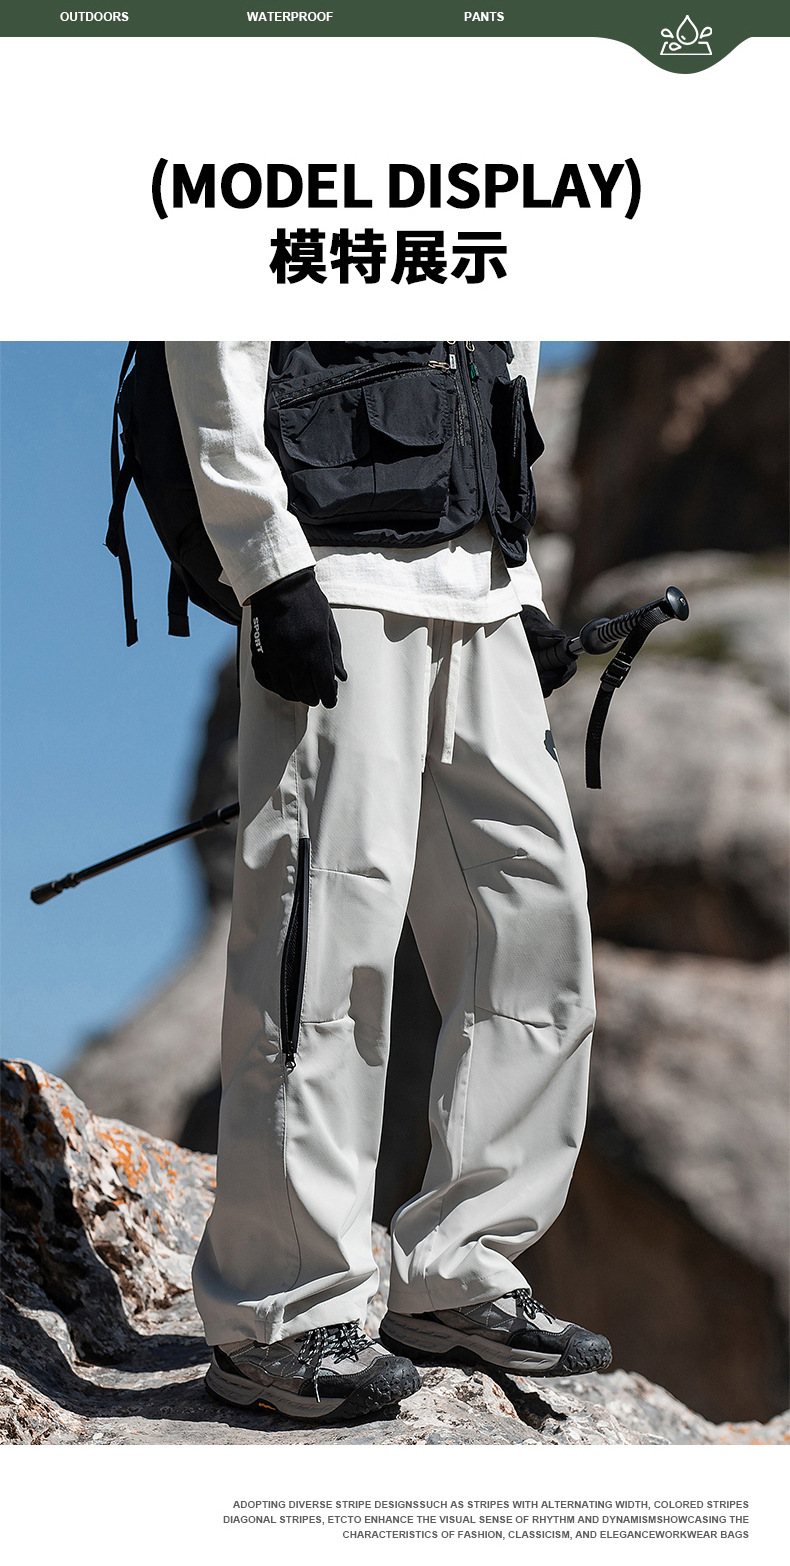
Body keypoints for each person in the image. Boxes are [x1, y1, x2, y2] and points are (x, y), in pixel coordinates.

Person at [164, 340, 611, 1424]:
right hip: (335, 573)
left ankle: (460, 1268)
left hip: (483, 593)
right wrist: (267, 562)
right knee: (321, 944)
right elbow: (211, 337)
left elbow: (500, 364)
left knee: (534, 928)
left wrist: (518, 585)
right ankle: (280, 1312)